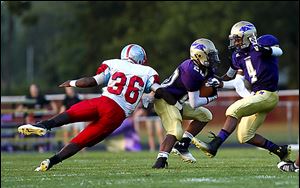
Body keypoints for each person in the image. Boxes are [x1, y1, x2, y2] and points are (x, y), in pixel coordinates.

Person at [17, 44, 176, 172]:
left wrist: (72, 83)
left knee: (71, 113)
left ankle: (43, 126)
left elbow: (92, 81)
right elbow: (159, 91)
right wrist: (173, 100)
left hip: (103, 101)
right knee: (82, 140)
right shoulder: (148, 72)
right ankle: (51, 161)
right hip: (116, 114)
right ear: (141, 58)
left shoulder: (113, 63)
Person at [193, 21, 291, 163]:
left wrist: (263, 49)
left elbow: (279, 51)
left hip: (268, 94)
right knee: (244, 135)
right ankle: (281, 152)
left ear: (248, 36)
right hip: (257, 96)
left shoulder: (264, 41)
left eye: (237, 38)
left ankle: (214, 145)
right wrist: (219, 82)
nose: (235, 42)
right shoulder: (238, 56)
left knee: (234, 109)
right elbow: (237, 81)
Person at [151, 38, 219, 169]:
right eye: (210, 55)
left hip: (178, 102)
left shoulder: (205, 68)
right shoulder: (190, 70)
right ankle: (160, 161)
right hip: (165, 100)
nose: (213, 58)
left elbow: (215, 81)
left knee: (205, 115)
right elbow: (194, 103)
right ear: (199, 55)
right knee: (176, 130)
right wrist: (212, 97)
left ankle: (183, 145)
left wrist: (223, 83)